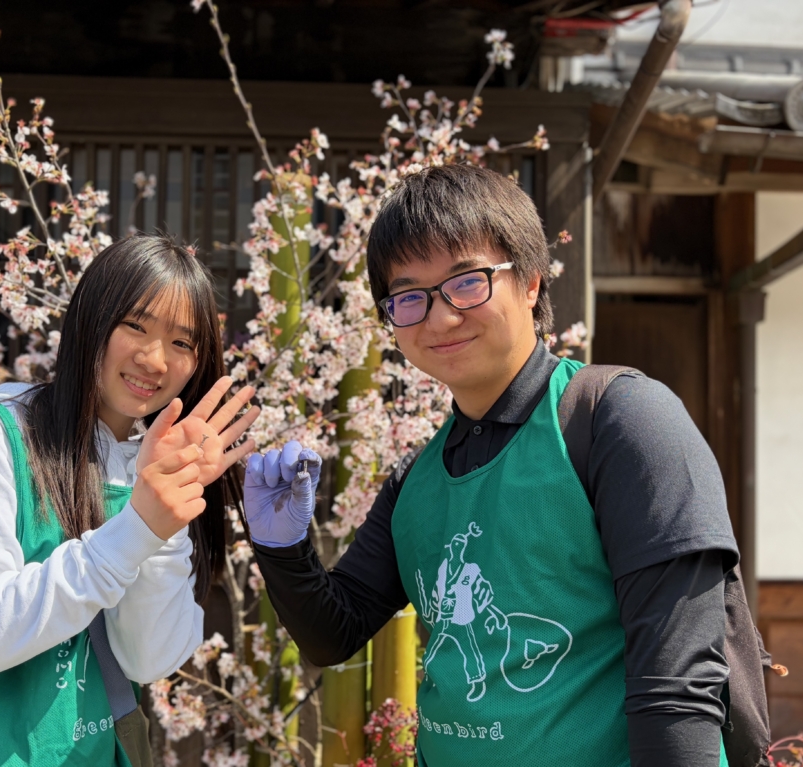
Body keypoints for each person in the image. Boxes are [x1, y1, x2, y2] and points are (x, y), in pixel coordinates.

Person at [243, 165, 739, 767]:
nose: (440, 317)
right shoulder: (416, 480)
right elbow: (333, 634)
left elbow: (678, 683)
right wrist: (282, 548)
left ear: (530, 282)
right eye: (410, 297)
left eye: (467, 283)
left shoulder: (618, 420)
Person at [0, 235, 260, 767]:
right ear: (90, 319)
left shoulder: (154, 466)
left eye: (182, 343)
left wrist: (164, 519)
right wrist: (135, 529)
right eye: (136, 326)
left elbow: (146, 660)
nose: (155, 359)